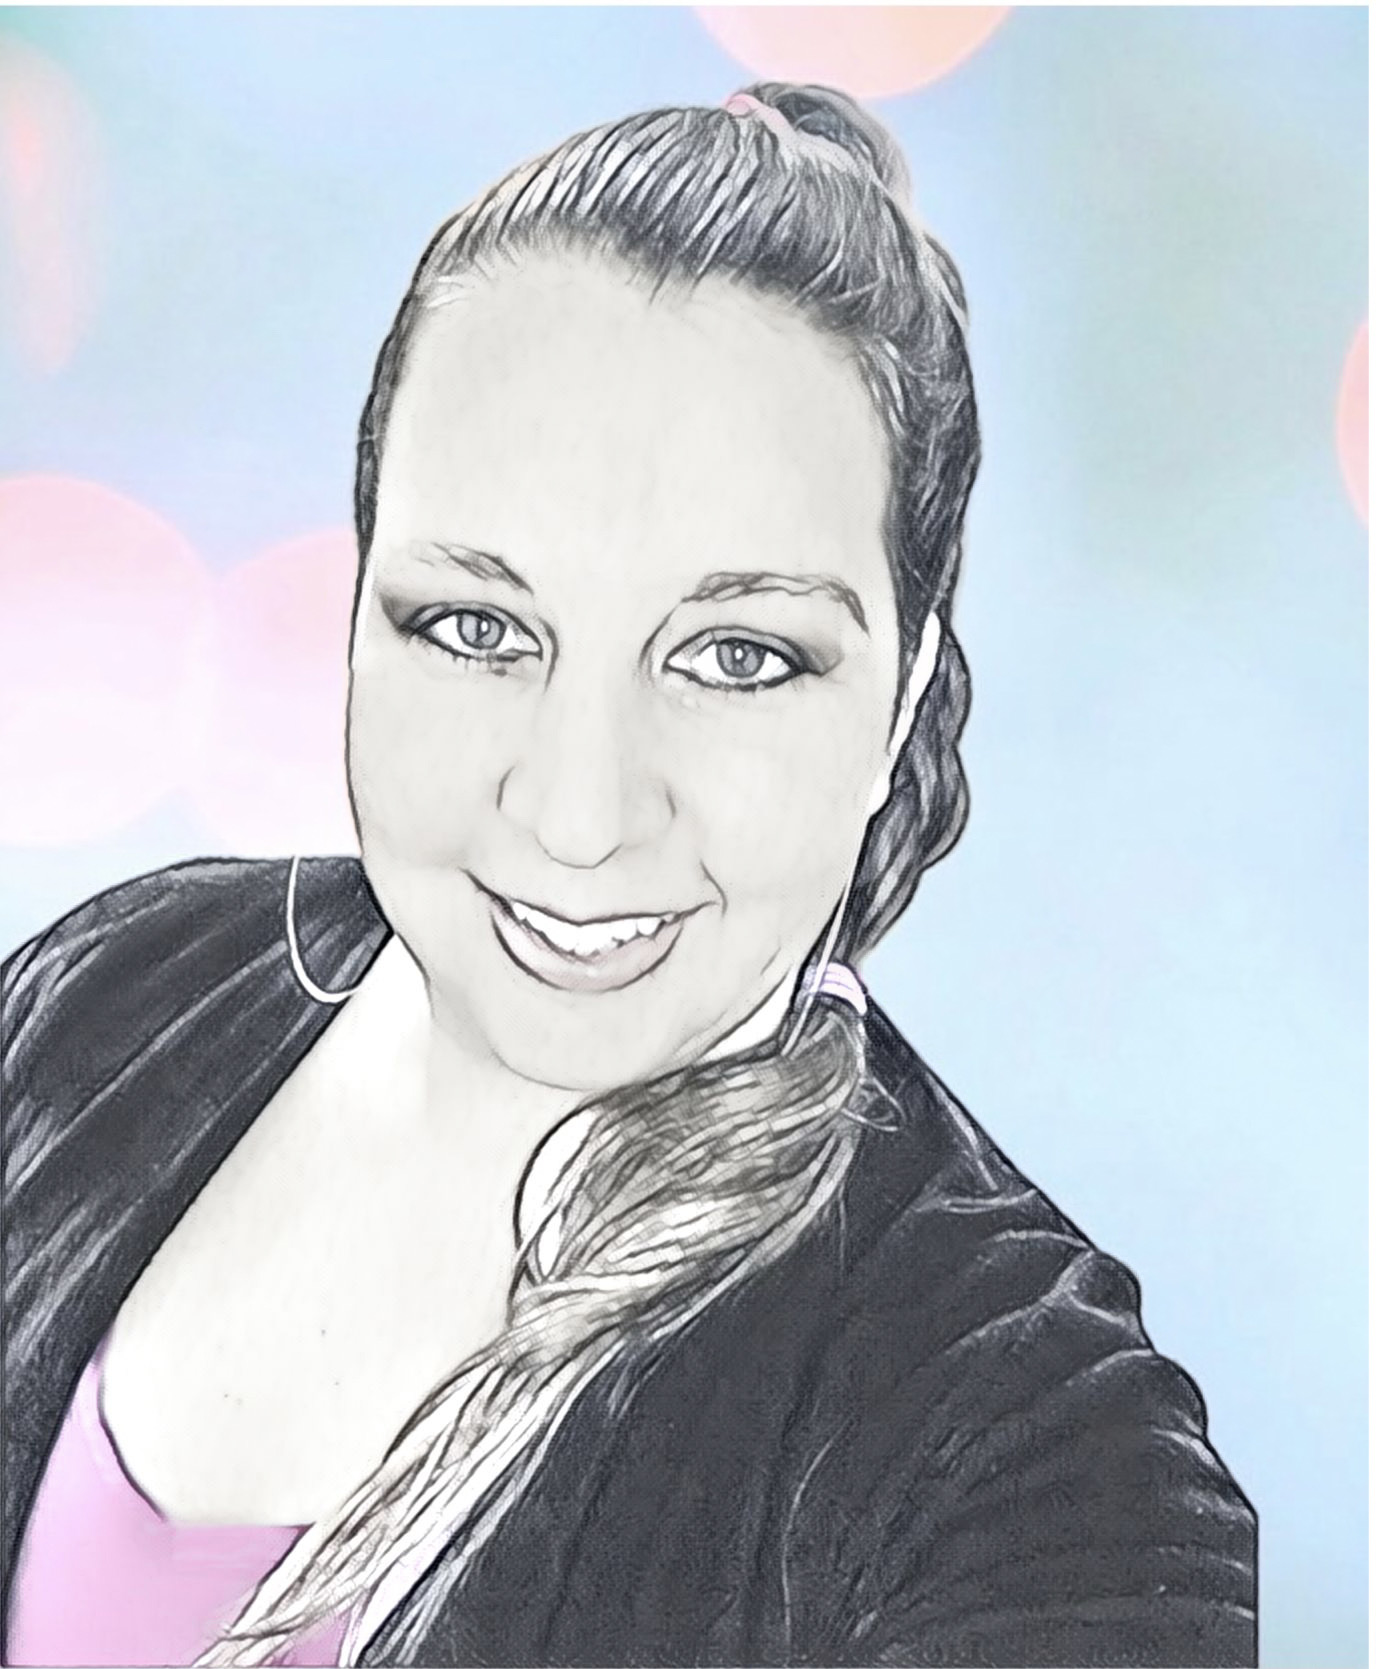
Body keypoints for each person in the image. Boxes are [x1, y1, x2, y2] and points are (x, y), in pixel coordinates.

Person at [1, 83, 1256, 1669]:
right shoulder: (106, 999)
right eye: (477, 627)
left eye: (736, 655)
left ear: (902, 694)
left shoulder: (1037, 1460)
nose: (580, 813)